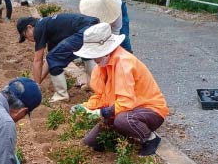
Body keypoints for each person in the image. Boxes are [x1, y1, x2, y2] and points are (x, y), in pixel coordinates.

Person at [72, 23, 169, 156]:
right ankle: (123, 136)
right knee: (91, 142)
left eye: (94, 54)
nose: (93, 59)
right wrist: (86, 107)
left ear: (105, 50)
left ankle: (150, 138)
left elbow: (126, 103)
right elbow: (101, 96)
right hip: (123, 110)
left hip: (150, 110)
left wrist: (101, 113)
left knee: (123, 121)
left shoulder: (124, 63)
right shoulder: (102, 66)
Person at [16, 13, 99, 102]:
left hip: (85, 29)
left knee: (54, 58)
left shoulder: (39, 28)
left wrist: (35, 87)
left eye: (25, 36)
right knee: (86, 54)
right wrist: (37, 82)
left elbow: (37, 60)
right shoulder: (50, 27)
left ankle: (61, 95)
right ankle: (93, 85)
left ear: (29, 27)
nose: (28, 39)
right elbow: (49, 61)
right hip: (93, 26)